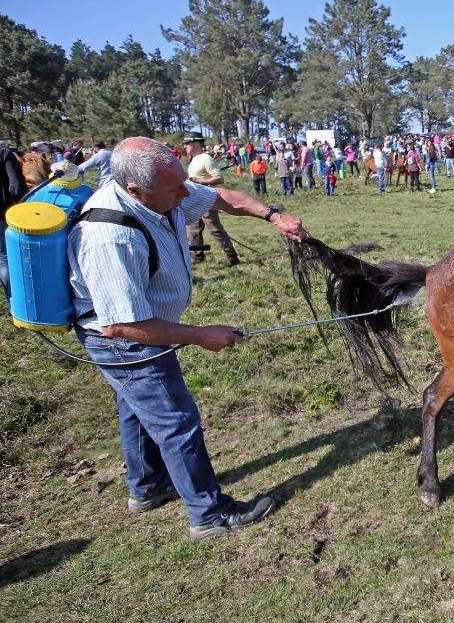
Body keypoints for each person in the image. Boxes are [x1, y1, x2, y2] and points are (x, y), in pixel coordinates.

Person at [68, 136, 305, 540]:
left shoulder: (165, 194)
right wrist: (200, 335)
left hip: (140, 326)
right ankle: (209, 514)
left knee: (138, 409)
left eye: (182, 183)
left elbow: (220, 198)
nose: (185, 193)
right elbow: (121, 325)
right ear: (134, 191)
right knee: (176, 420)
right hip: (125, 339)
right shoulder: (110, 237)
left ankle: (148, 486)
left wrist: (272, 215)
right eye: (174, 188)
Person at [182, 134, 239, 268]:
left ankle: (231, 256)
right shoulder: (194, 159)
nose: (185, 146)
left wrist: (199, 181)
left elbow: (219, 179)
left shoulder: (206, 159)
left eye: (187, 143)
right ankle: (197, 256)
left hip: (206, 199)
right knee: (192, 229)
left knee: (214, 229)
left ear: (196, 144)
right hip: (194, 198)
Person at [0, 140, 29, 300]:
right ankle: (16, 301)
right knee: (6, 260)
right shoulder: (4, 153)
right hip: (4, 214)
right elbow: (16, 187)